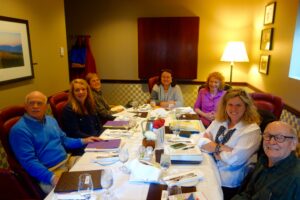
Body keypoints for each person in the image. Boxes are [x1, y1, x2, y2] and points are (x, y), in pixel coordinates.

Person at [9, 91, 100, 193]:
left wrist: (84, 140)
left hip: (68, 161)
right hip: (50, 173)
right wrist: (51, 178)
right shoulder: (19, 130)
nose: (35, 106)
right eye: (31, 103)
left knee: (96, 171)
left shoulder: (50, 120)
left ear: (45, 106)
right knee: (80, 192)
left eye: (39, 103)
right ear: (25, 106)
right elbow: (29, 162)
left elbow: (64, 140)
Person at [197, 88, 261, 200]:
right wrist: (220, 147)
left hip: (226, 182)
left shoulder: (251, 130)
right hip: (208, 169)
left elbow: (233, 160)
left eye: (238, 105)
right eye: (230, 104)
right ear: (225, 106)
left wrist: (211, 145)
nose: (233, 109)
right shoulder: (220, 121)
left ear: (246, 107)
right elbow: (201, 141)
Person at [232, 121, 300, 200]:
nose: (271, 142)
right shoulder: (263, 160)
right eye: (268, 136)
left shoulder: (296, 179)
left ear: (293, 144)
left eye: (280, 137)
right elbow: (248, 193)